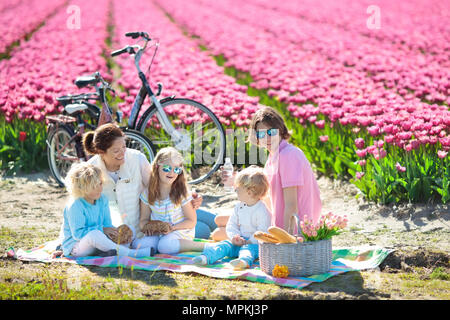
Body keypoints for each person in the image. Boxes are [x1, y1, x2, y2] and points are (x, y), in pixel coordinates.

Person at [213, 107, 322, 237]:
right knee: (220, 220)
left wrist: (286, 240)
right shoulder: (273, 158)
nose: (267, 138)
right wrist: (235, 182)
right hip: (274, 219)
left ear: (280, 130)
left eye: (271, 132)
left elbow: (292, 205)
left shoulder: (289, 155)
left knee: (218, 233)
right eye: (261, 134)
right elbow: (264, 197)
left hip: (295, 230)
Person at [61, 162, 151, 258]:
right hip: (77, 247)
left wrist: (116, 233)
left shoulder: (102, 199)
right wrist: (103, 230)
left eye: (100, 183)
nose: (99, 188)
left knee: (129, 229)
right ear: (81, 188)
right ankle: (131, 253)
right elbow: (78, 234)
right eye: (93, 186)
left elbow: (107, 225)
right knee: (94, 235)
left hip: (98, 241)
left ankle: (110, 251)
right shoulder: (75, 205)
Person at [193, 166, 271, 269]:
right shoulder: (239, 207)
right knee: (224, 245)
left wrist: (249, 241)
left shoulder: (262, 210)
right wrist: (234, 236)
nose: (236, 190)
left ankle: (243, 261)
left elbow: (262, 232)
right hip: (238, 241)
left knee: (248, 250)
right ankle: (206, 257)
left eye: (238, 189)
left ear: (249, 192)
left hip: (254, 244)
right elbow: (232, 224)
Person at [139, 147, 206, 254]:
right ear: (156, 167)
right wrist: (149, 227)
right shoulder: (147, 193)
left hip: (180, 231)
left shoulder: (181, 193)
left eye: (176, 169)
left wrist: (173, 228)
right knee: (141, 245)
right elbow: (143, 220)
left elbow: (191, 221)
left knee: (165, 246)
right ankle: (162, 246)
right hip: (159, 233)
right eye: (166, 168)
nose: (171, 173)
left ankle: (202, 246)